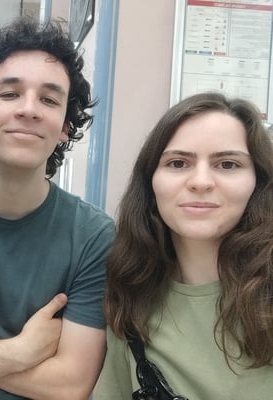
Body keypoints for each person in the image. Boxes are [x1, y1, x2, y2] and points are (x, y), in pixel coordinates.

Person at [0, 17, 115, 399]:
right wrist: (22, 351)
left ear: (65, 127)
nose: (29, 110)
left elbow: (70, 385)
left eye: (49, 100)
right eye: (10, 93)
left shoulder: (93, 236)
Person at [95, 92, 273, 399]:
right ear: (150, 183)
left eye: (227, 164)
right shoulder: (130, 297)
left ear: (258, 182)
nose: (200, 182)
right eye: (178, 163)